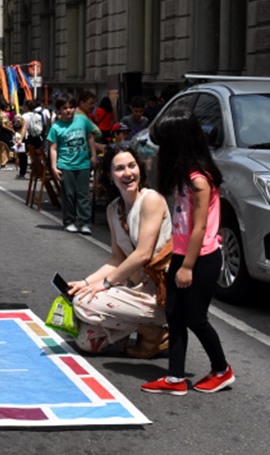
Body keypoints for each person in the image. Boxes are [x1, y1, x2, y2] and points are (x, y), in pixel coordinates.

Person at [140, 109, 234, 396]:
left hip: (201, 258)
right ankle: (175, 378)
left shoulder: (199, 180)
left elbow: (199, 228)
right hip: (183, 255)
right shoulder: (185, 175)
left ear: (180, 142)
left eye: (165, 142)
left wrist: (187, 267)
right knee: (174, 314)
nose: (161, 148)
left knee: (195, 317)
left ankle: (222, 370)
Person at [68, 146, 172, 358]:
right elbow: (117, 259)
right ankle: (139, 332)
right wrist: (85, 284)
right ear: (109, 175)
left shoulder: (150, 200)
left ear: (140, 169)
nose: (128, 173)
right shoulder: (113, 209)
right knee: (87, 342)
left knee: (83, 305)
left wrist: (105, 284)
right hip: (133, 291)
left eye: (132, 166)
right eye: (120, 168)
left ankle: (152, 332)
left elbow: (143, 253)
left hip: (158, 295)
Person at [48, 93, 97, 235]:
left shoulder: (83, 120)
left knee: (83, 194)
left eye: (71, 107)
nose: (68, 110)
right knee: (68, 195)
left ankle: (84, 222)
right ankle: (69, 221)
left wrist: (93, 154)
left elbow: (90, 136)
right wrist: (54, 166)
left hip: (83, 164)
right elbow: (53, 148)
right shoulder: (56, 127)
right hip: (66, 165)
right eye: (64, 108)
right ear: (59, 110)